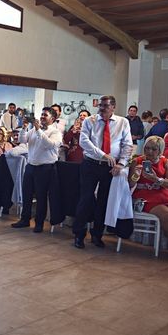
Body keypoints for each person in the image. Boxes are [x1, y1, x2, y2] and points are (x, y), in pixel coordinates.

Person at [73, 95, 133, 249]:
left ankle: (97, 234)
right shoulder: (90, 120)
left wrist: (121, 163)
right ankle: (79, 234)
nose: (101, 108)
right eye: (100, 105)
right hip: (91, 164)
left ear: (113, 106)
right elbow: (84, 141)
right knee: (85, 199)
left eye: (105, 105)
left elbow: (127, 145)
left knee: (104, 201)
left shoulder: (122, 122)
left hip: (110, 167)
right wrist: (102, 154)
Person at [129, 136, 168, 259]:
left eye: (154, 149)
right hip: (144, 195)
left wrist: (157, 179)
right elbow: (130, 184)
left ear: (160, 150)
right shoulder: (137, 161)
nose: (149, 152)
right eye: (147, 148)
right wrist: (136, 175)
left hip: (162, 193)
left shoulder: (165, 162)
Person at [12, 107, 63, 232]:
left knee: (41, 196)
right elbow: (22, 140)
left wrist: (39, 130)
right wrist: (24, 128)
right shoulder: (34, 130)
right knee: (27, 194)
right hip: (31, 166)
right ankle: (25, 219)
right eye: (41, 114)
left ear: (52, 118)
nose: (42, 117)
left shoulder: (55, 132)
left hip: (45, 167)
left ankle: (39, 223)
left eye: (45, 115)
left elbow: (49, 144)